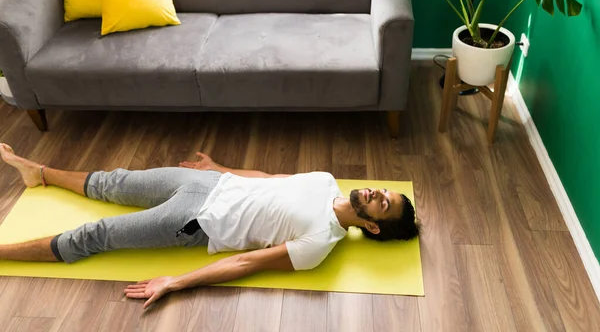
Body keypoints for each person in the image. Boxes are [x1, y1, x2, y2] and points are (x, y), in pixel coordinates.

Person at [0, 143, 419, 309]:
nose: (378, 193)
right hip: (208, 183)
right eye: (384, 191)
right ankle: (38, 172)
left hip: (195, 222)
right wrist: (221, 167)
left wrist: (176, 282)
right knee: (115, 181)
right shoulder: (327, 180)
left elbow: (247, 264)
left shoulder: (319, 243)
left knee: (97, 236)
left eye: (384, 203)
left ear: (375, 228)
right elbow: (270, 179)